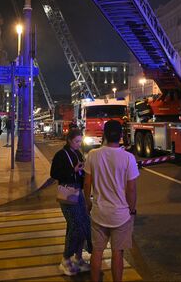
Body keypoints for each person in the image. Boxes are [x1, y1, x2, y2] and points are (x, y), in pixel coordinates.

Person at [84, 120, 139, 282]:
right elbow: (131, 189)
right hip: (121, 215)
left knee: (97, 252)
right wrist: (132, 209)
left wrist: (88, 203)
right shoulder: (128, 158)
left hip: (99, 212)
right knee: (117, 253)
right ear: (121, 135)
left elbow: (87, 183)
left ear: (105, 135)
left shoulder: (93, 155)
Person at [51, 128, 92, 276]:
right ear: (69, 140)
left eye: (80, 141)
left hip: (78, 193)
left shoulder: (77, 153)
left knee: (84, 224)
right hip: (67, 194)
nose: (78, 144)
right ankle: (66, 259)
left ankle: (78, 257)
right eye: (76, 141)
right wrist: (72, 170)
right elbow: (54, 174)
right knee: (75, 226)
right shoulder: (61, 155)